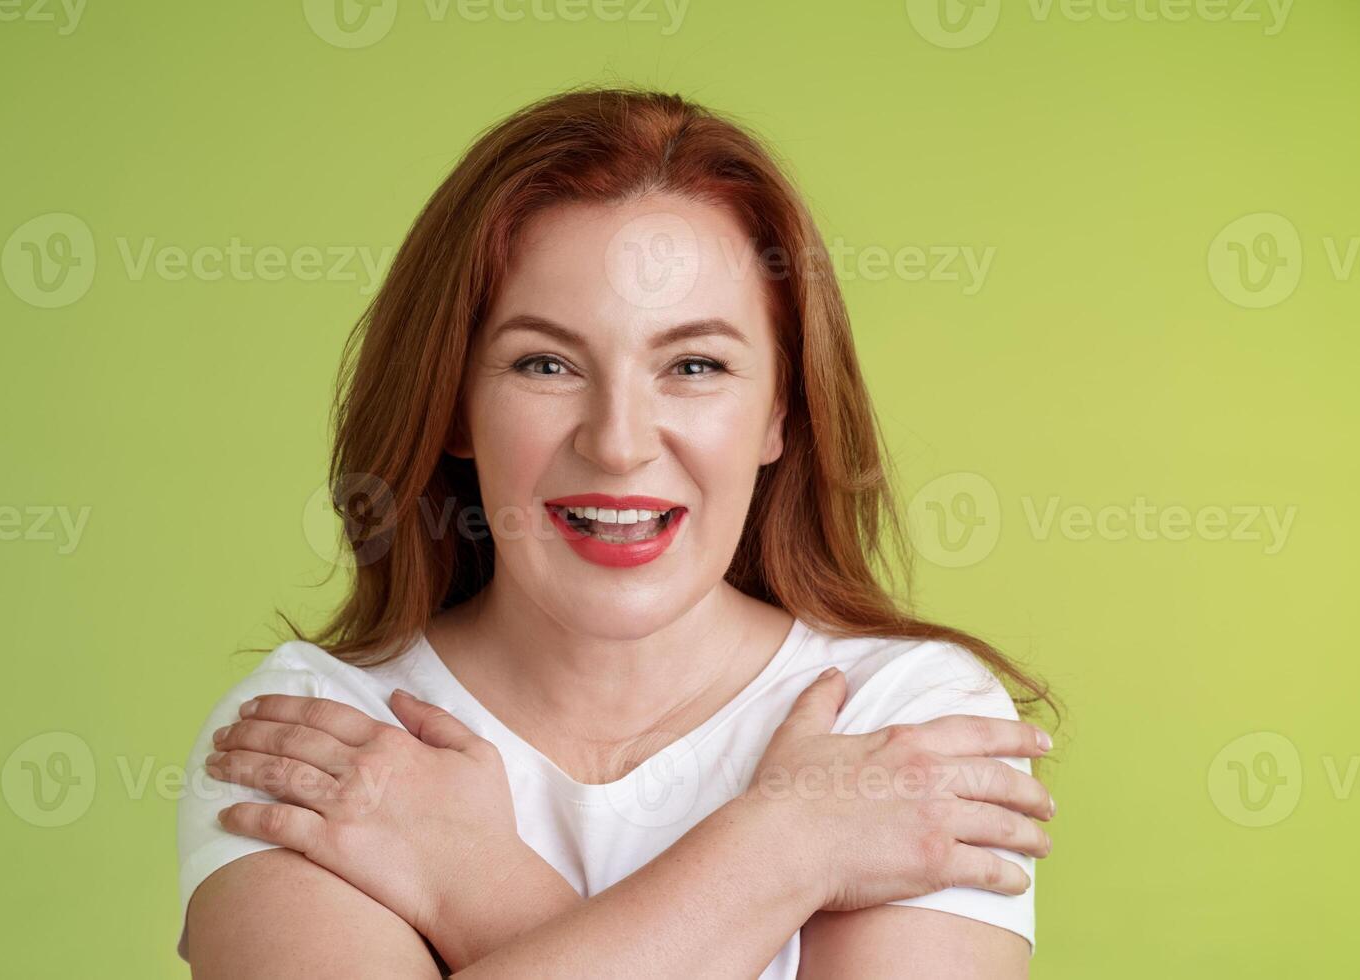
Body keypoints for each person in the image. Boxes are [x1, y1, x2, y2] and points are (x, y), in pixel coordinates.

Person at [176, 87, 1060, 978]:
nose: (619, 443)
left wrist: (474, 886)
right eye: (546, 363)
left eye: (694, 365)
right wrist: (790, 848)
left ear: (778, 413)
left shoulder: (901, 723)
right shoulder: (323, 741)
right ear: (454, 402)